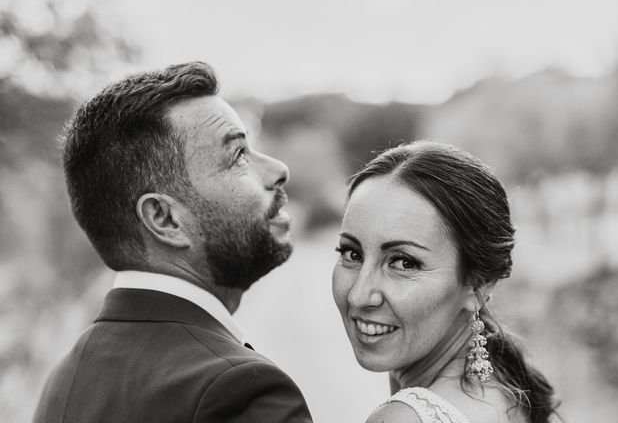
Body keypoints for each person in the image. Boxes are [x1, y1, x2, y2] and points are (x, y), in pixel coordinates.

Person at [33, 62, 313, 422]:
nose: (278, 169)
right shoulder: (241, 389)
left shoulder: (64, 382)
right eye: (238, 155)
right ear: (164, 219)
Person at [332, 141, 557, 423]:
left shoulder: (403, 419)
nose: (359, 295)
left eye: (404, 262)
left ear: (478, 283)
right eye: (352, 253)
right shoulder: (503, 392)